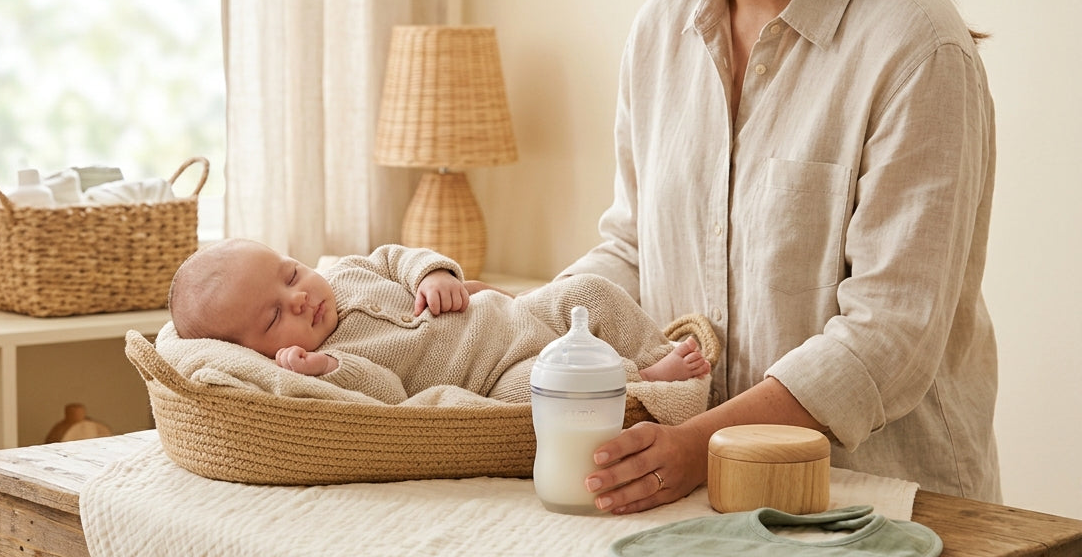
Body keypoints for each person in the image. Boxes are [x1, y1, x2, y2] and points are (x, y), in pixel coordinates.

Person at [567, 0, 999, 514]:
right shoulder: (659, 35)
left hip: (884, 509)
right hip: (706, 507)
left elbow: (889, 334)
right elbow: (635, 252)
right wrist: (517, 321)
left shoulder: (915, 44)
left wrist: (698, 445)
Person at [169, 238, 710, 414]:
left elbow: (396, 256)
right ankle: (642, 380)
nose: (299, 299)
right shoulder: (323, 371)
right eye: (273, 316)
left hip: (519, 314)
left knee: (587, 291)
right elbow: (389, 397)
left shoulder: (350, 272)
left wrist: (433, 273)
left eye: (291, 274)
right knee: (543, 389)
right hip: (499, 371)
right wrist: (329, 368)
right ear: (258, 354)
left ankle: (648, 348)